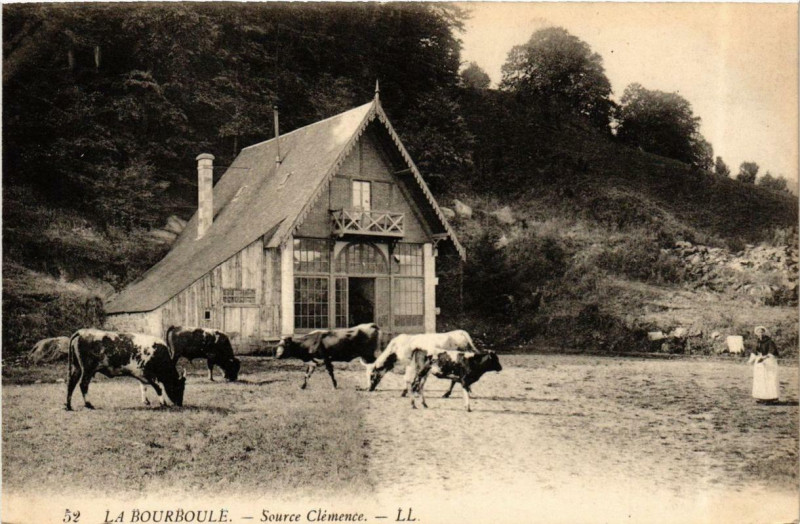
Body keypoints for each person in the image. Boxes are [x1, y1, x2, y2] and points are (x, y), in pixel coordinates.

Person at [748, 326, 780, 404]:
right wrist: (751, 360)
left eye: (762, 332)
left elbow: (772, 352)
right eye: (759, 332)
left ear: (764, 332)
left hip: (769, 362)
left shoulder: (769, 341)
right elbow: (754, 352)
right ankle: (762, 397)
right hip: (760, 362)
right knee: (760, 380)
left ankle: (771, 398)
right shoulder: (757, 342)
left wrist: (764, 358)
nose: (760, 333)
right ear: (756, 333)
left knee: (769, 379)